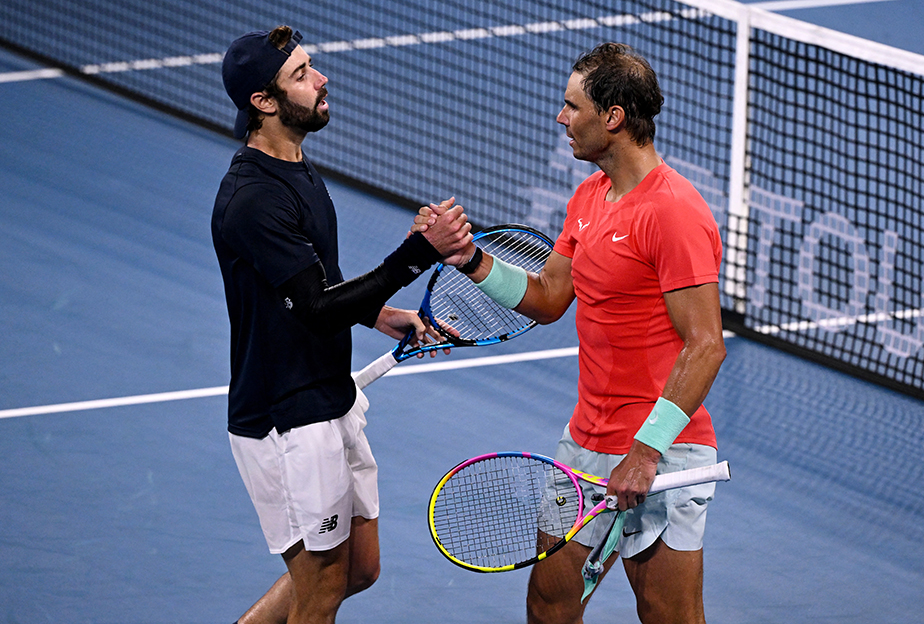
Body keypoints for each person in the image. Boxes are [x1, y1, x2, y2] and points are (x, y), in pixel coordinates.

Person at [415, 43, 726, 623]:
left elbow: (706, 344)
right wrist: (469, 259)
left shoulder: (674, 212)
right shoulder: (587, 197)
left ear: (612, 117)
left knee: (667, 613)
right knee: (550, 604)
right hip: (584, 443)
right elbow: (550, 298)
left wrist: (645, 451)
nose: (562, 118)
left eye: (572, 105)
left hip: (664, 451)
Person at [211, 26, 472, 624]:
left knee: (358, 569)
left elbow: (313, 285)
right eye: (302, 74)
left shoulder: (296, 168)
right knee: (322, 587)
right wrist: (417, 254)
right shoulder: (253, 198)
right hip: (285, 417)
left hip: (328, 395)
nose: (321, 77)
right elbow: (315, 307)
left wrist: (381, 313)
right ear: (264, 103)